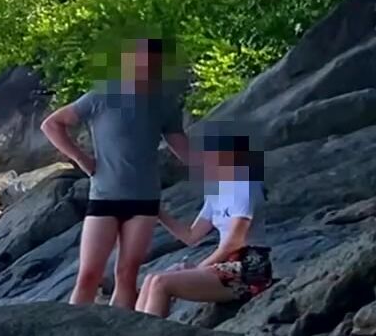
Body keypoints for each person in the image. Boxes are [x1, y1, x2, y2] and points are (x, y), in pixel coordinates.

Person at [41, 38, 191, 309]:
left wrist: (218, 169)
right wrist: (81, 159)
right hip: (105, 195)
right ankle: (73, 331)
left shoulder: (164, 102)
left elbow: (179, 144)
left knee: (127, 274)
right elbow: (52, 125)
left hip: (144, 199)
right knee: (88, 275)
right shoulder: (103, 95)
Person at [138, 135, 272, 318]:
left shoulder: (245, 187)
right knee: (151, 279)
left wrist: (200, 267)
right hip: (225, 264)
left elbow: (235, 241)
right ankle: (135, 333)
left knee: (162, 283)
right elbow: (191, 236)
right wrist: (157, 211)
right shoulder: (217, 192)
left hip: (249, 268)